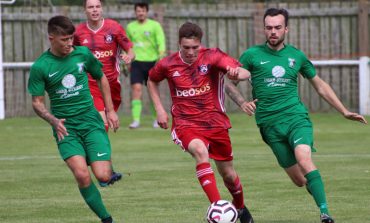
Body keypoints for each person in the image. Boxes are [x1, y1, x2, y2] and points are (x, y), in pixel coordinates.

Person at [225, 8, 368, 223]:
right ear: (264, 29)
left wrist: (344, 111)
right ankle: (314, 187)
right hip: (269, 125)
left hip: (296, 118)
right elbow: (230, 83)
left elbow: (320, 86)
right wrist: (242, 101)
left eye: (277, 27)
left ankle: (325, 213)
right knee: (300, 181)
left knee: (304, 158)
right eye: (269, 27)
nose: (273, 31)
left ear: (286, 29)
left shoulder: (296, 56)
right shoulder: (251, 55)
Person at [147, 22, 254, 223]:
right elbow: (151, 80)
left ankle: (240, 207)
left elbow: (243, 72)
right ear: (179, 43)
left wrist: (236, 73)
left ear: (200, 44)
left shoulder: (212, 56)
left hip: (216, 123)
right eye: (186, 48)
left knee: (229, 175)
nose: (190, 52)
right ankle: (218, 209)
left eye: (194, 47)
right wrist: (160, 109)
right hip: (186, 123)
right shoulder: (168, 64)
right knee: (200, 152)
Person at [28, 15, 120, 223]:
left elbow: (101, 77)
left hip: (90, 121)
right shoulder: (41, 67)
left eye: (71, 38)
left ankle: (101, 163)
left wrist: (110, 110)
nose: (70, 43)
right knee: (81, 175)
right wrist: (52, 120)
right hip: (65, 128)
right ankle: (107, 219)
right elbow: (37, 102)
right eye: (65, 39)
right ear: (51, 38)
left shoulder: (83, 55)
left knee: (104, 176)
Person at [74, 0, 135, 185]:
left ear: (102, 9)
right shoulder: (78, 33)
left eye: (97, 6)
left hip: (112, 85)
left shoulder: (114, 28)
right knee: (101, 123)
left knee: (105, 125)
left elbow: (130, 50)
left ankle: (99, 163)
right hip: (90, 85)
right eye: (91, 7)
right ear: (85, 10)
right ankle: (104, 172)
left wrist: (128, 57)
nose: (94, 10)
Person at [126, 2, 166, 129]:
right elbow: (127, 45)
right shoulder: (130, 27)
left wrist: (161, 57)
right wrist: (127, 59)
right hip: (137, 62)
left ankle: (157, 119)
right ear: (135, 12)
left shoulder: (155, 25)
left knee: (152, 91)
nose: (140, 13)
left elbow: (161, 42)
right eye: (138, 11)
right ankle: (136, 120)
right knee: (136, 90)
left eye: (143, 10)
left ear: (146, 12)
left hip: (152, 62)